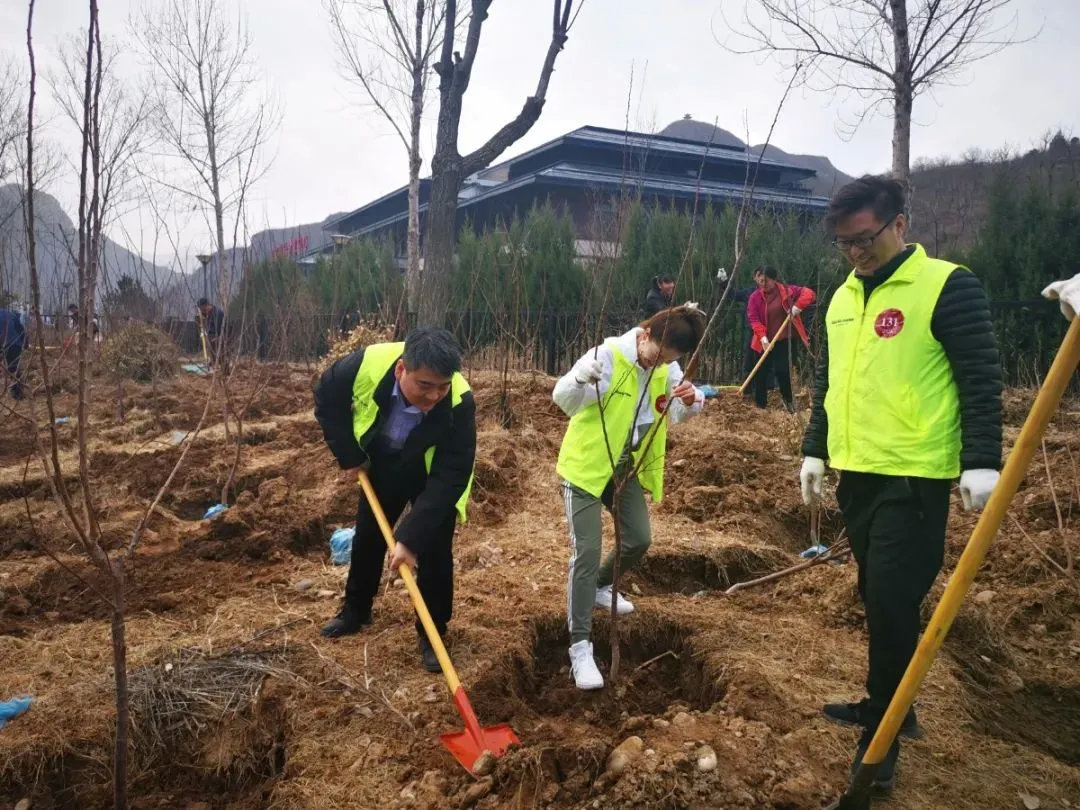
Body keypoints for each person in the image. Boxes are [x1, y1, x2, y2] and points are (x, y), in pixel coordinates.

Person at [799, 175, 1002, 798]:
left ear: (900, 225)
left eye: (865, 239)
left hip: (916, 478)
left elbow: (979, 376)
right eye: (843, 243)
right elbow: (830, 383)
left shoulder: (947, 285)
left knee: (890, 598)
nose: (855, 253)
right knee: (875, 594)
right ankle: (890, 705)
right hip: (857, 474)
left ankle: (882, 743)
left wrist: (982, 459)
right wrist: (814, 448)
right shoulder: (839, 299)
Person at [553, 306, 706, 690]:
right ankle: (580, 647)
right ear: (644, 335)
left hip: (622, 467)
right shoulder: (606, 356)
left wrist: (692, 400)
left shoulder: (665, 369)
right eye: (656, 355)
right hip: (587, 466)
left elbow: (674, 414)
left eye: (669, 361)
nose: (659, 365)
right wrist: (578, 379)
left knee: (639, 538)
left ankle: (602, 586)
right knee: (586, 552)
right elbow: (563, 400)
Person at [313, 327, 476, 674]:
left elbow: (453, 473)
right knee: (370, 534)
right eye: (425, 385)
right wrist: (348, 452)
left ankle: (433, 634)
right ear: (402, 369)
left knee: (434, 548)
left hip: (431, 472)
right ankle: (355, 610)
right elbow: (328, 398)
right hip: (383, 459)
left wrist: (410, 540)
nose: (434, 396)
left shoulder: (460, 401)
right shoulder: (363, 365)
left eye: (442, 386)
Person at [746, 266, 816, 412]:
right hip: (763, 342)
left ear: (774, 279)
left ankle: (789, 403)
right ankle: (760, 405)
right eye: (760, 281)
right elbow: (754, 319)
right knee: (760, 372)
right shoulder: (755, 297)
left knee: (782, 371)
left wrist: (797, 307)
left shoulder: (787, 291)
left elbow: (809, 294)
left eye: (766, 281)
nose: (763, 284)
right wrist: (763, 338)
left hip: (783, 340)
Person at [1, 308, 27, 400]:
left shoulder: (6, 315)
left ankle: (17, 393)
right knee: (14, 368)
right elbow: (21, 329)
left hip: (12, 344)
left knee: (13, 368)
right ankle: (17, 391)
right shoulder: (8, 313)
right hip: (15, 344)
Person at [196, 298, 225, 364]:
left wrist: (212, 336)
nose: (202, 311)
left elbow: (216, 329)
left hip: (220, 337)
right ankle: (214, 361)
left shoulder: (217, 313)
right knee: (211, 344)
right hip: (213, 337)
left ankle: (218, 362)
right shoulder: (209, 314)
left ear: (206, 306)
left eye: (202, 309)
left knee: (214, 344)